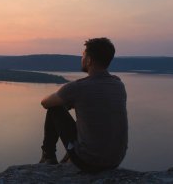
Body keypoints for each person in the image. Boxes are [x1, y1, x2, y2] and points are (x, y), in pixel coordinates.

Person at [39, 37, 128, 173]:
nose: (81, 59)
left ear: (89, 60)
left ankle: (48, 156)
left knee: (55, 109)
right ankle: (65, 157)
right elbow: (97, 105)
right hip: (115, 161)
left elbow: (45, 103)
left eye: (83, 55)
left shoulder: (77, 87)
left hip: (89, 162)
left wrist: (66, 100)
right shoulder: (118, 85)